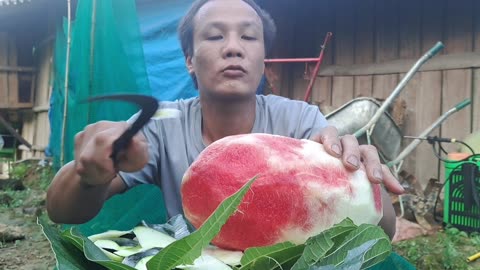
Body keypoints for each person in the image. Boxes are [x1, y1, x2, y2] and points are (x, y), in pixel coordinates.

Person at [46, 0, 404, 239]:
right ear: (189, 59)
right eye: (215, 36)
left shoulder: (298, 121)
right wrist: (86, 174)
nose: (234, 47)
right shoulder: (159, 125)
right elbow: (61, 211)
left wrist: (365, 182)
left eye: (249, 37)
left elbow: (382, 230)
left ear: (263, 58)